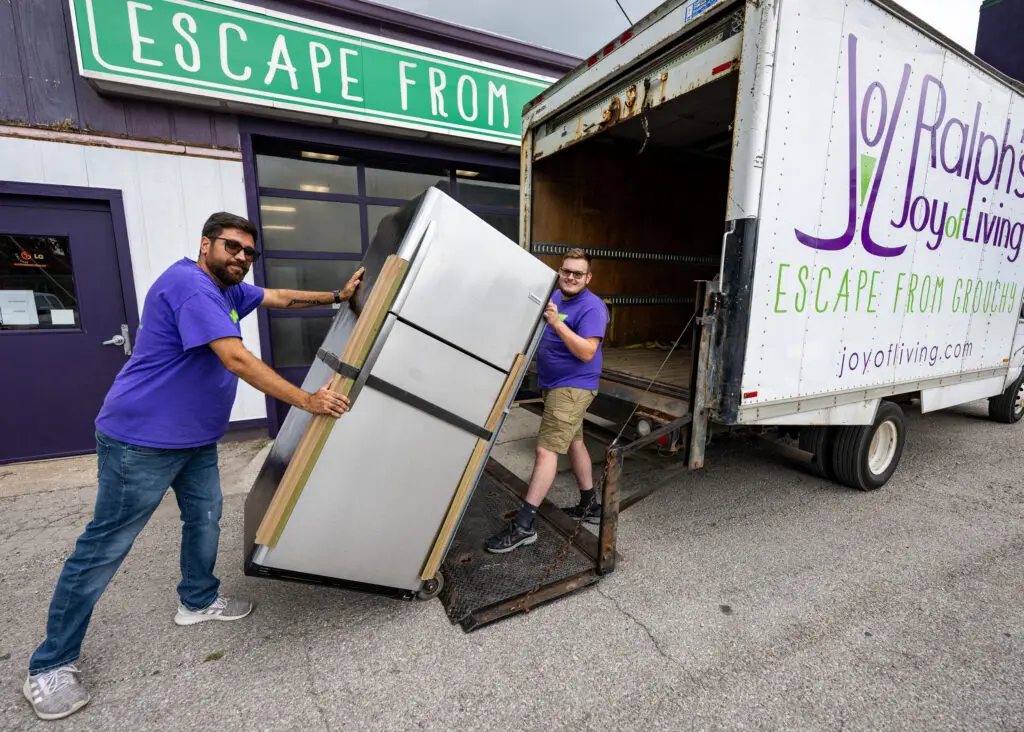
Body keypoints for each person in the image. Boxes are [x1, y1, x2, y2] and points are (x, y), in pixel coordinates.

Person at [24, 212, 364, 721]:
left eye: (249, 252)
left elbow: (277, 298)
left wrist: (335, 297)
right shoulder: (192, 288)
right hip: (139, 440)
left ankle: (198, 600)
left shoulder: (227, 287)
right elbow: (238, 360)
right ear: (206, 244)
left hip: (194, 439)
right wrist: (307, 401)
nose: (242, 259)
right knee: (104, 545)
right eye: (232, 248)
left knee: (204, 517)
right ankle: (49, 666)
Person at [485, 248, 609, 554]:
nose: (570, 277)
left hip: (573, 387)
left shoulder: (593, 308)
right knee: (574, 442)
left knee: (545, 451)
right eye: (566, 270)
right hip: (554, 384)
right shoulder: (555, 295)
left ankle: (524, 525)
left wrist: (557, 324)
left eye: (577, 273)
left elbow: (586, 352)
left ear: (588, 278)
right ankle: (589, 505)